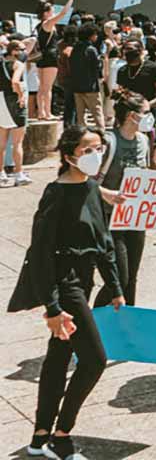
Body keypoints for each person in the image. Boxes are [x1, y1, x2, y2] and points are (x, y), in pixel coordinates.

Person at [8, 125, 124, 460]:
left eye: (99, 148)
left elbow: (103, 243)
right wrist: (53, 307)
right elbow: (41, 253)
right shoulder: (55, 195)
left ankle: (40, 434)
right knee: (94, 360)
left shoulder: (91, 187)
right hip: (64, 283)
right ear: (69, 154)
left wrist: (114, 286)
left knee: (59, 357)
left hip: (83, 282)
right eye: (87, 149)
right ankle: (62, 434)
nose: (95, 155)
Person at [94, 93, 153, 307]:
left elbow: (147, 176)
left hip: (136, 218)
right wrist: (107, 194)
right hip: (110, 219)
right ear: (131, 116)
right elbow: (86, 182)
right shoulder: (109, 142)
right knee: (119, 278)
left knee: (132, 278)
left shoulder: (144, 141)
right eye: (146, 112)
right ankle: (94, 318)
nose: (150, 116)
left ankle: (127, 322)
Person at [33, 0, 75, 120]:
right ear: (46, 12)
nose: (53, 12)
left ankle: (42, 113)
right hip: (50, 57)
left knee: (42, 88)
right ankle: (46, 112)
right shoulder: (48, 23)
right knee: (47, 87)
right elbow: (63, 12)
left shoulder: (39, 25)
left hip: (41, 57)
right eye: (51, 10)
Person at [0, 38, 30, 186]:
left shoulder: (2, 63)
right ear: (14, 51)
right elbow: (15, 81)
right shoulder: (18, 64)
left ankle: (1, 174)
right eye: (22, 49)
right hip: (14, 101)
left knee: (2, 142)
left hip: (1, 100)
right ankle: (19, 174)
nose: (25, 52)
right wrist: (20, 95)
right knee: (18, 142)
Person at [67, 23, 105, 132]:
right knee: (97, 113)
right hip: (90, 87)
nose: (96, 36)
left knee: (80, 116)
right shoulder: (91, 49)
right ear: (91, 35)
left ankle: (82, 135)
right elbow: (97, 66)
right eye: (95, 34)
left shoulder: (75, 49)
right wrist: (101, 60)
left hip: (77, 86)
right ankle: (102, 134)